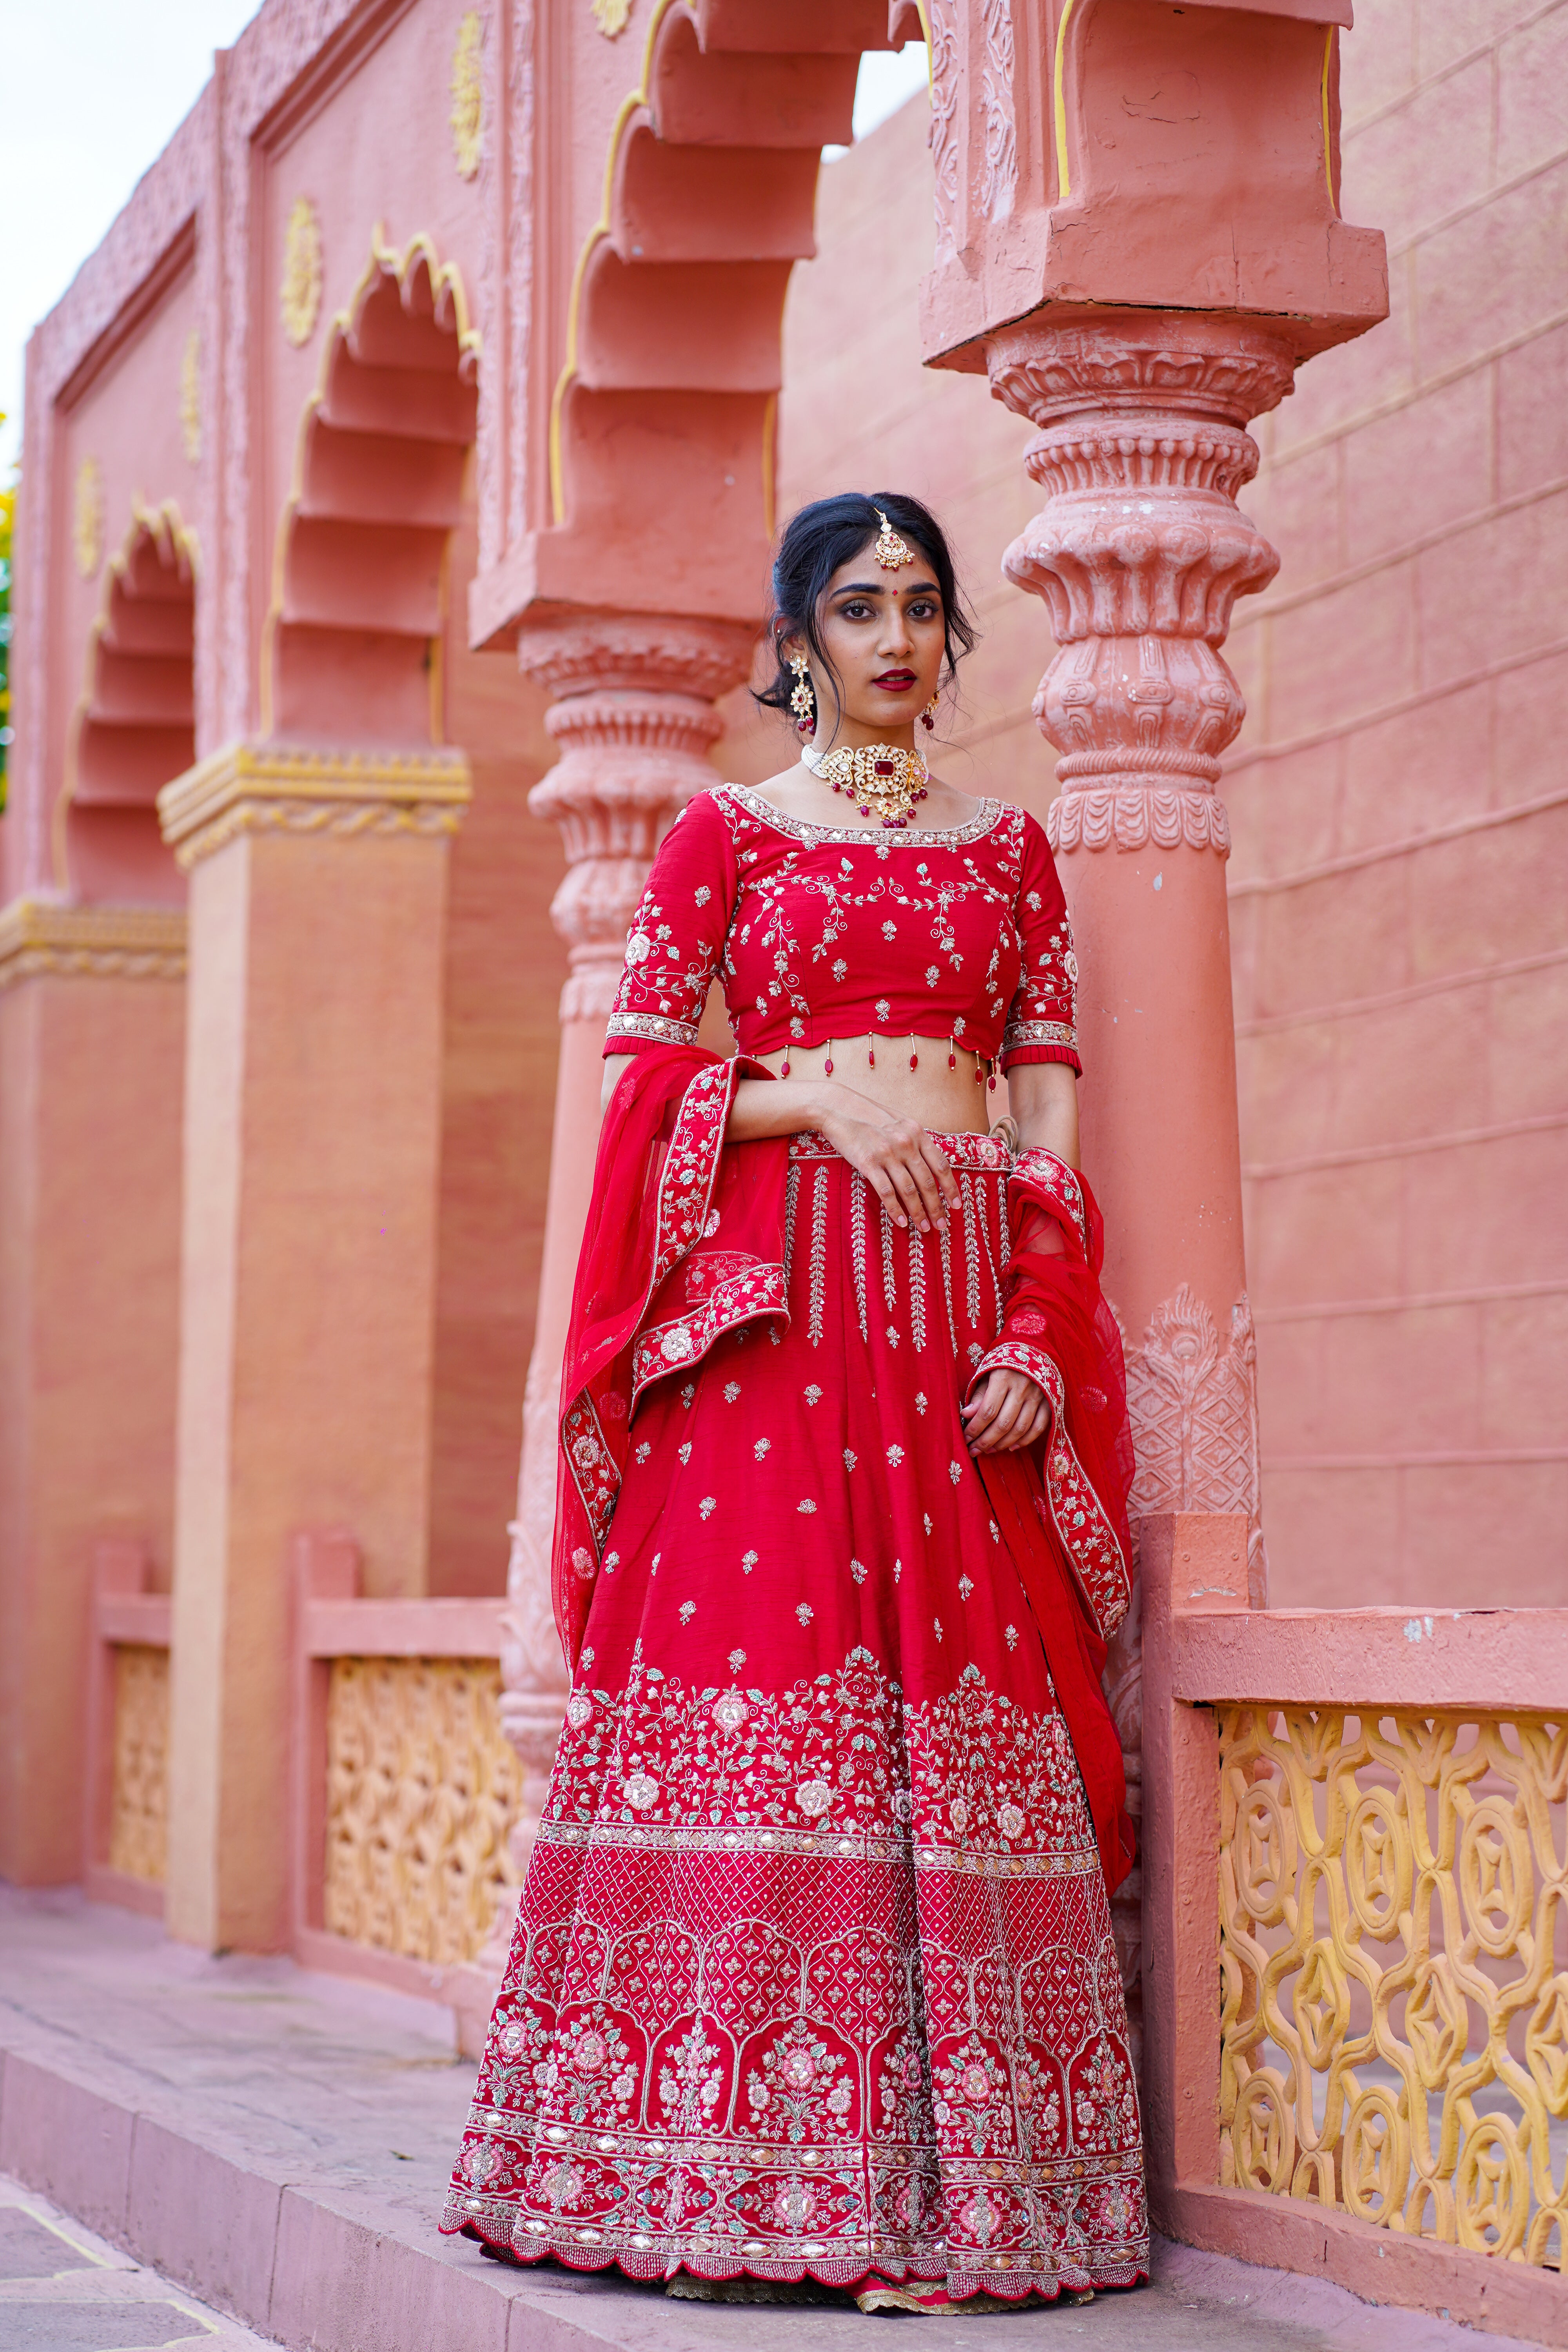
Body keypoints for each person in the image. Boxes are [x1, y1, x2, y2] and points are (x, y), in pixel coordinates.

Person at [442, 491, 1147, 2313]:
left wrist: (1038, 1327)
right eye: (858, 608)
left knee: (960, 1705)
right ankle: (704, 2176)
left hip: (948, 1321)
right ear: (800, 638)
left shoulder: (1010, 856)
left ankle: (967, 2198)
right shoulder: (722, 838)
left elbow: (1049, 1115)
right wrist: (816, 1105)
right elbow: (647, 1089)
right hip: (775, 1327)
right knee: (762, 1696)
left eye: (923, 607)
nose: (897, 639)